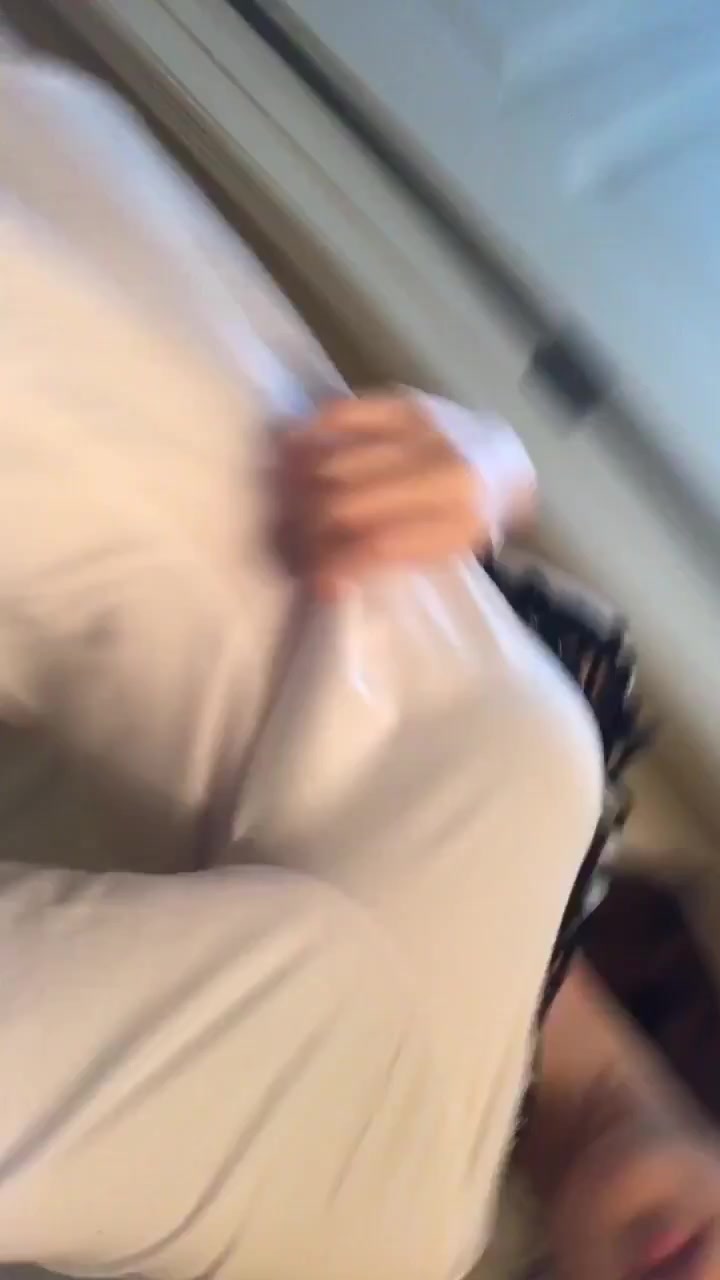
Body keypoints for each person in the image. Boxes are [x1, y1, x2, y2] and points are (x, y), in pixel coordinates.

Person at [0, 52, 718, 1280]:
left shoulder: (378, 1213)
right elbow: (408, 603)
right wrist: (486, 466)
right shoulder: (614, 852)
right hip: (60, 171)